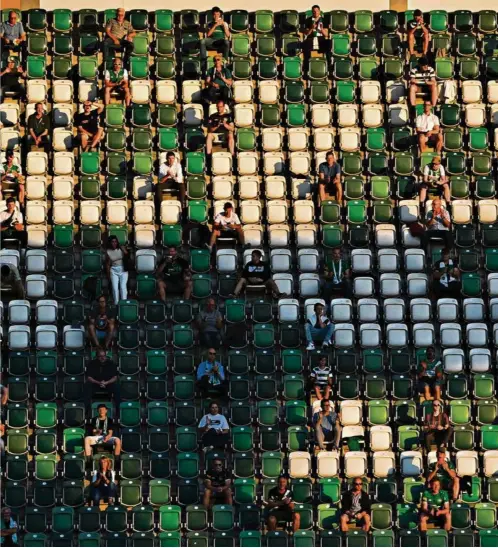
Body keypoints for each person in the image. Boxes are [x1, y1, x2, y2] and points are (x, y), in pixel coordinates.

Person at [105, 236, 129, 305]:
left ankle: (124, 304)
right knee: (115, 288)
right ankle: (116, 304)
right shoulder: (108, 251)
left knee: (122, 287)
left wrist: (124, 249)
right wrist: (108, 275)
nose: (114, 243)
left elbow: (128, 256)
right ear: (110, 243)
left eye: (115, 241)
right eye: (112, 242)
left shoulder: (121, 248)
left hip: (123, 269)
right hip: (113, 269)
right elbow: (108, 264)